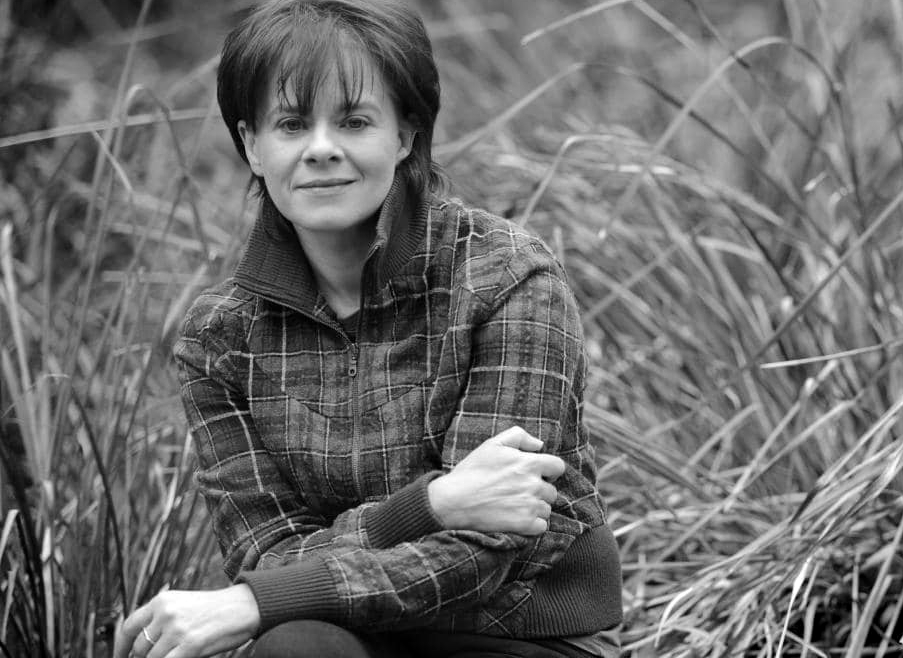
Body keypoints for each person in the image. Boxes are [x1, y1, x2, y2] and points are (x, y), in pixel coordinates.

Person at [114, 0, 622, 656]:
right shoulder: (221, 339)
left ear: (405, 135)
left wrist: (262, 598)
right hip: (346, 637)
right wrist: (431, 506)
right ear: (253, 145)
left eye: (354, 121)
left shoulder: (505, 276)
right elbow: (269, 558)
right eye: (292, 124)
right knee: (296, 647)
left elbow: (487, 546)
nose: (322, 148)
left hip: (515, 630)